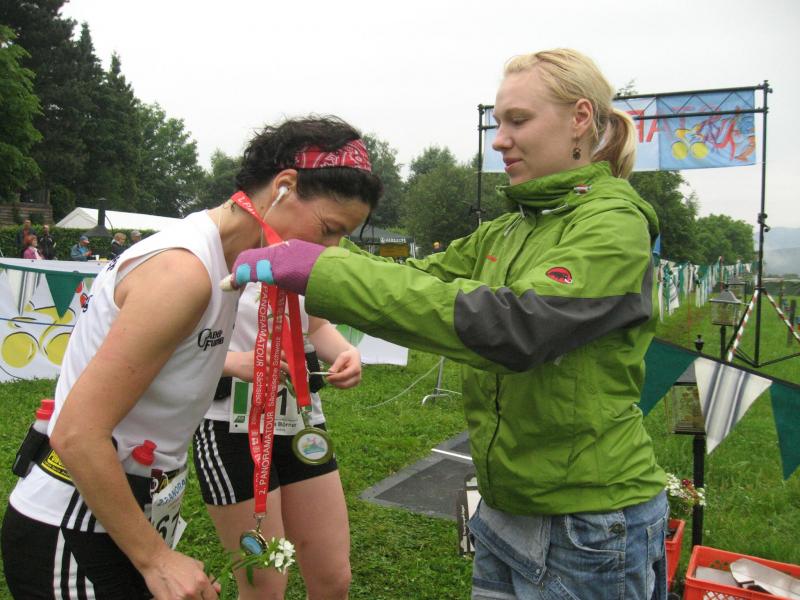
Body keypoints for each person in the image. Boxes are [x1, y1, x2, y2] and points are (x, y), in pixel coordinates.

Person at [226, 49, 668, 599]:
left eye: (518, 120)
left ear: (580, 118)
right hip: (505, 504)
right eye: (498, 123)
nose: (499, 140)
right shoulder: (508, 231)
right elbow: (415, 279)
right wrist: (314, 243)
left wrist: (319, 268)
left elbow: (519, 327)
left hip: (589, 523)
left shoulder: (614, 224)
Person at [1, 115, 382, 599]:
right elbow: (77, 432)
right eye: (328, 229)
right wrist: (156, 560)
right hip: (74, 529)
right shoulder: (184, 271)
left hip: (120, 513)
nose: (328, 250)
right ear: (284, 186)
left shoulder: (225, 261)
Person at [193, 285, 362, 600]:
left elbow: (316, 326)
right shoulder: (213, 261)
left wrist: (345, 352)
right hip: (231, 426)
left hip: (300, 426)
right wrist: (231, 362)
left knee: (333, 579)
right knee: (265, 586)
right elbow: (169, 342)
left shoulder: (300, 263)